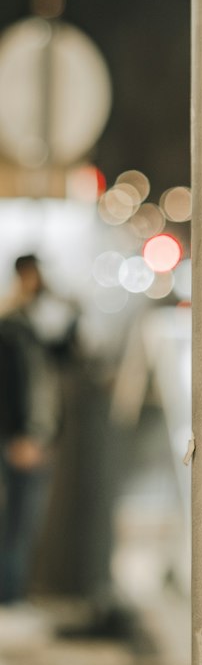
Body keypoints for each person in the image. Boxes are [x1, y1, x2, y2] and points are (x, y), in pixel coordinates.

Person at [0, 254, 76, 609]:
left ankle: (15, 595)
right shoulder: (11, 325)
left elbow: (65, 355)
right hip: (21, 439)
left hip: (37, 436)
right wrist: (18, 435)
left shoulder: (35, 322)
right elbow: (10, 386)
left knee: (23, 522)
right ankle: (10, 598)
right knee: (15, 521)